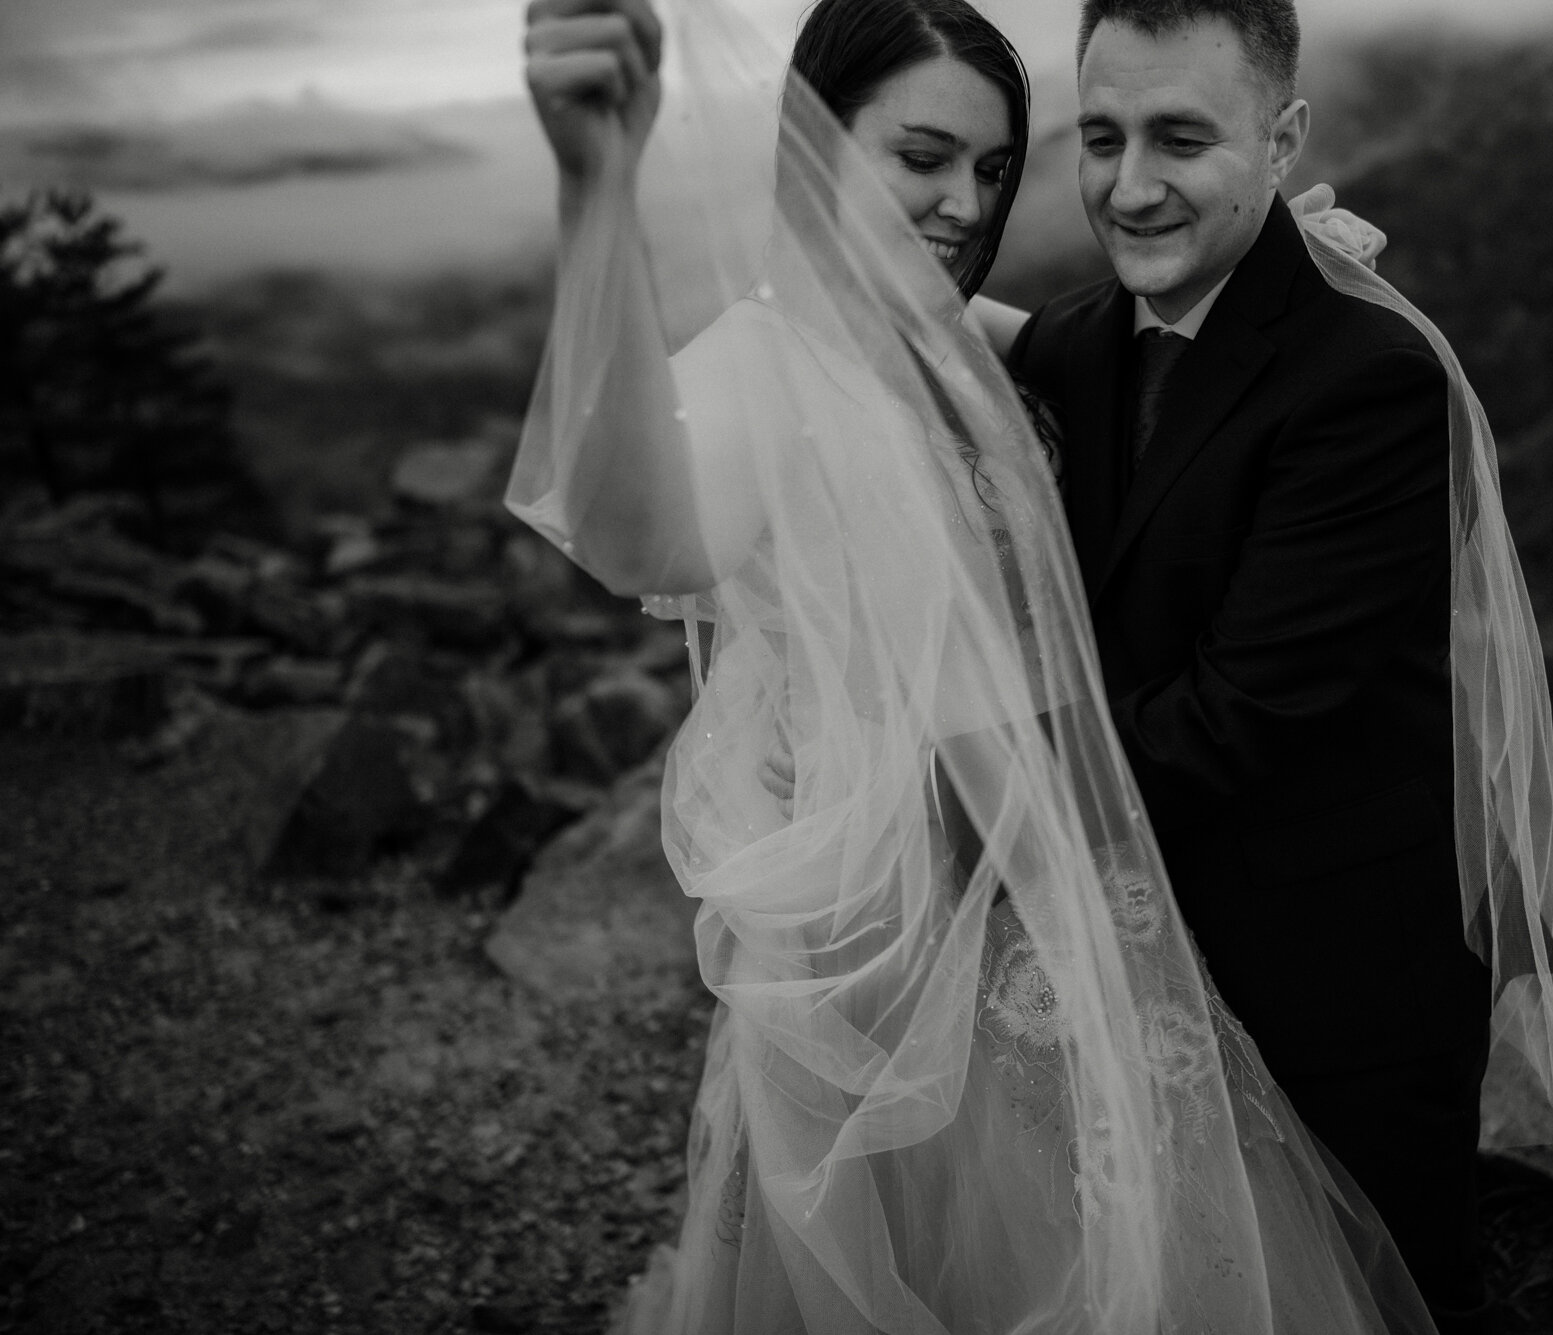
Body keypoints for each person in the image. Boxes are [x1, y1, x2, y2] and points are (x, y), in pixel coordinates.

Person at [512, 0, 1446, 1331]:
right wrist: (596, 189)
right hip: (899, 957)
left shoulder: (960, 349)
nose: (962, 201)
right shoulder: (759, 371)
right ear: (813, 148)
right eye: (922, 156)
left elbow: (1115, 332)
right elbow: (630, 530)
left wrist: (1286, 258)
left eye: (994, 168)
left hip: (1066, 924)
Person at [995, 2, 1553, 1331]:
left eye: (1180, 138)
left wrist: (951, 773)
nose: (1128, 186)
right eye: (1099, 137)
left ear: (1283, 138)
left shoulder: (1366, 379)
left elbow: (1233, 721)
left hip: (1337, 995)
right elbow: (982, 332)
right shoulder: (1104, 333)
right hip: (1163, 974)